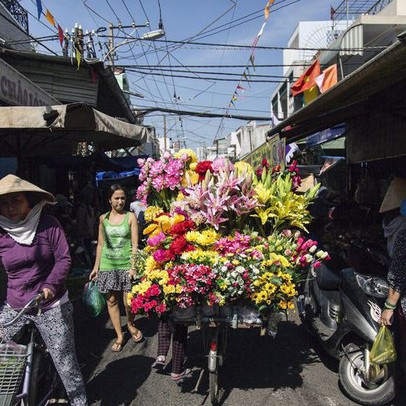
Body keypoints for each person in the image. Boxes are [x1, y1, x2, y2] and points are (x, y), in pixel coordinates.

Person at [0, 174, 87, 406]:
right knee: (3, 360)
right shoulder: (1, 232)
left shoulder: (48, 224)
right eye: (5, 203)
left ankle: (79, 402)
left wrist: (49, 288)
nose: (10, 208)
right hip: (15, 304)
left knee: (65, 363)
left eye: (16, 201)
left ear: (29, 201)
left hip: (50, 303)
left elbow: (63, 259)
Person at [89, 184, 143, 352]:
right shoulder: (102, 219)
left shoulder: (131, 217)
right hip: (107, 265)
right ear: (109, 200)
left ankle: (130, 324)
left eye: (122, 198)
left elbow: (135, 244)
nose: (120, 201)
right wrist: (96, 267)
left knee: (128, 302)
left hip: (126, 265)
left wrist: (133, 266)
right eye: (116, 198)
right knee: (111, 301)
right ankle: (120, 335)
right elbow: (100, 245)